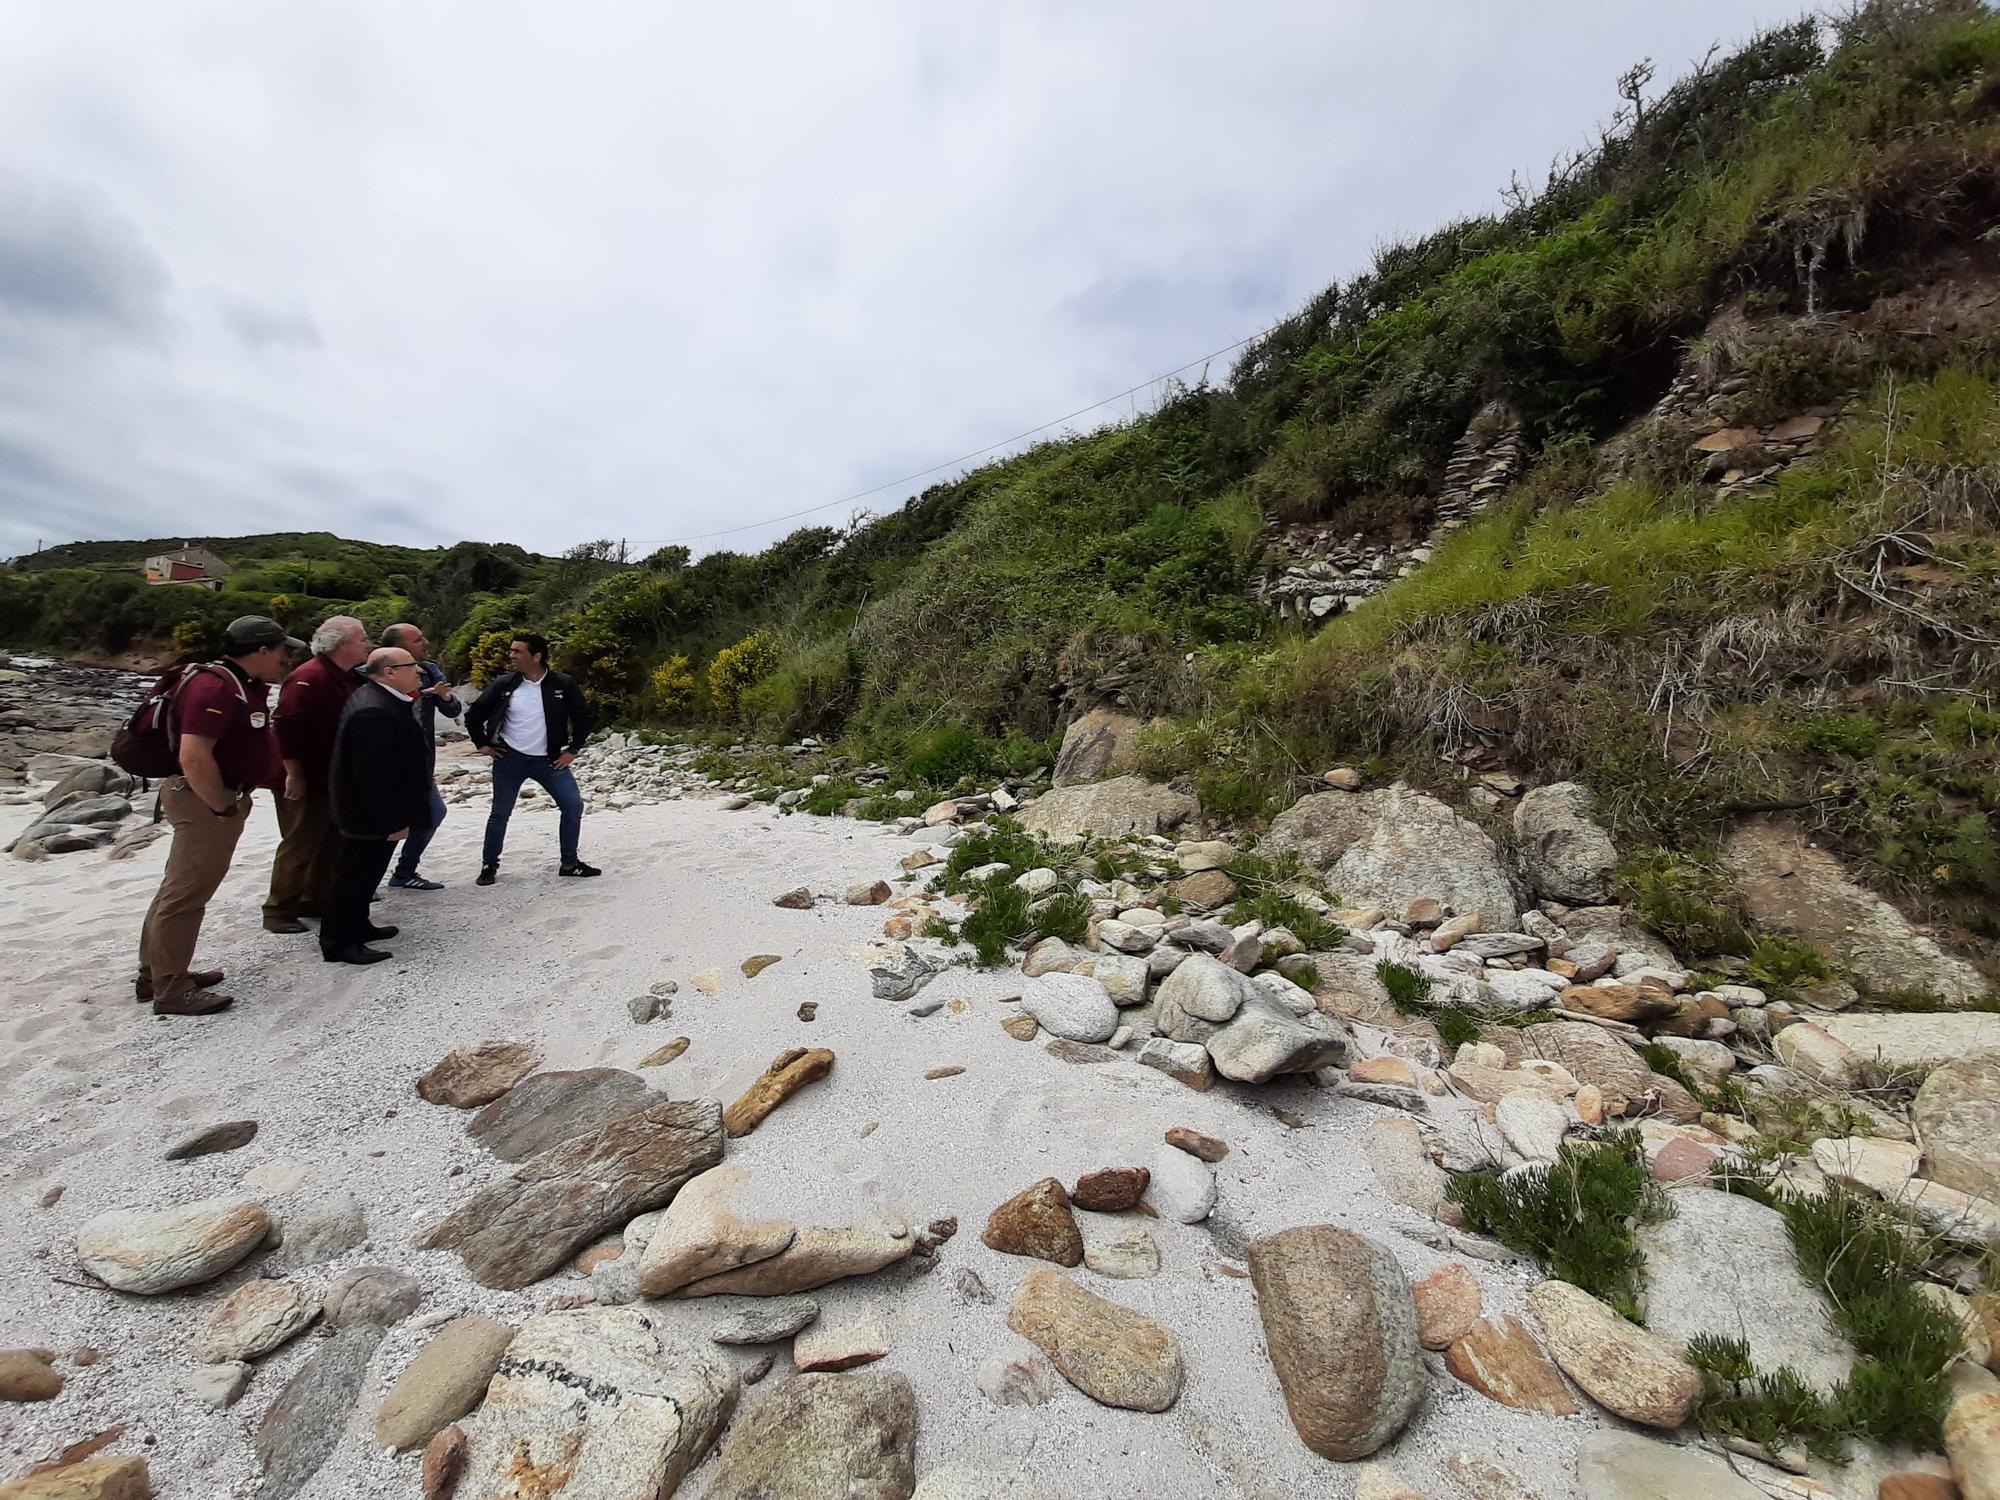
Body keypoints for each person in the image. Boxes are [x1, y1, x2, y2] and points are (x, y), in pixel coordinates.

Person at [135, 615, 298, 1016]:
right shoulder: (216, 687)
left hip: (207, 798)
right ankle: (170, 988)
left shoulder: (236, 684)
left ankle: (157, 973)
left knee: (178, 889)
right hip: (203, 800)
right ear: (262, 650)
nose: (285, 658)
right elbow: (193, 755)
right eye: (281, 650)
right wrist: (222, 805)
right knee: (186, 895)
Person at [323, 647, 432, 964]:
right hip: (367, 816)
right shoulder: (374, 710)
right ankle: (339, 943)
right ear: (390, 672)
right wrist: (391, 820)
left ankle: (358, 925)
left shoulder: (378, 698)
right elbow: (372, 777)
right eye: (412, 667)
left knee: (365, 875)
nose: (419, 672)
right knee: (354, 878)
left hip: (369, 812)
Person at [465, 632, 600, 884]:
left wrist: (573, 750)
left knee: (573, 806)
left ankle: (569, 863)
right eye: (511, 650)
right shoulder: (504, 684)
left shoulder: (562, 684)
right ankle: (489, 865)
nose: (511, 655)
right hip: (509, 759)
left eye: (517, 651)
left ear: (536, 656)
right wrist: (482, 744)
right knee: (500, 813)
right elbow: (474, 715)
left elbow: (584, 718)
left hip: (549, 760)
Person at [263, 615, 368, 933]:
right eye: (362, 638)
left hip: (330, 776)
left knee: (330, 842)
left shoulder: (345, 676)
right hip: (305, 776)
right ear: (342, 645)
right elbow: (286, 725)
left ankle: (314, 899)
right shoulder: (309, 677)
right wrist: (293, 774)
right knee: (301, 843)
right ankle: (278, 910)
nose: (368, 642)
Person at [377, 622, 460, 891]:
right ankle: (365, 883)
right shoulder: (372, 672)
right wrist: (414, 695)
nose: (425, 642)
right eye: (417, 640)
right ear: (397, 649)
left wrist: (445, 698)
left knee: (433, 812)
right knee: (382, 825)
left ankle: (404, 871)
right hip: (384, 762)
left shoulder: (429, 670)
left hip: (420, 762)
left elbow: (453, 709)